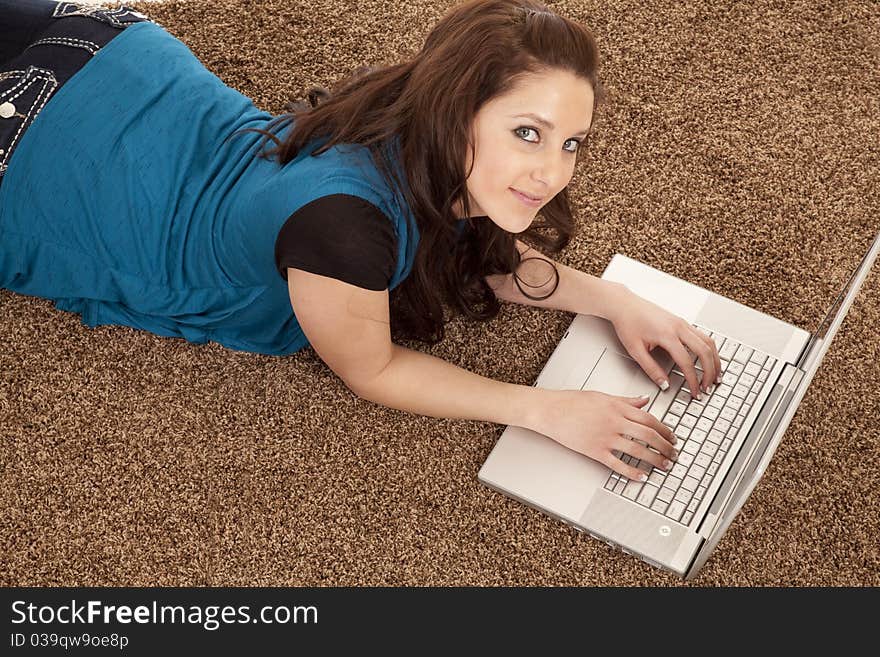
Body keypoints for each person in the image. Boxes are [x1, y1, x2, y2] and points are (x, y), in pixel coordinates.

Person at [0, 0, 722, 482]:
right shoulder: (342, 233)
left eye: (570, 142)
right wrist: (541, 407)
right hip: (40, 155)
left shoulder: (420, 119)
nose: (550, 171)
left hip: (116, 49)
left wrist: (613, 298)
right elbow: (373, 368)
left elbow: (480, 253)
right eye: (527, 133)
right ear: (458, 108)